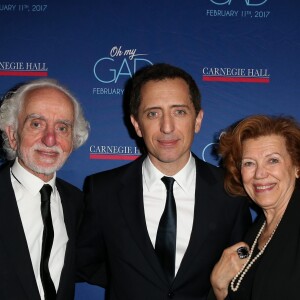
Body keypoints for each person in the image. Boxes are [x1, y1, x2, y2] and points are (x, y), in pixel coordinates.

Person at [77, 63, 251, 300]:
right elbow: (86, 261)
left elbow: (241, 271)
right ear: (137, 124)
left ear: (198, 120)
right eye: (153, 113)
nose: (167, 127)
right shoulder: (103, 190)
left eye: (179, 112)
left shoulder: (230, 190)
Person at [0, 78, 89, 300]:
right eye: (36, 124)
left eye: (62, 128)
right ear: (12, 135)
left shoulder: (78, 203)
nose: (50, 140)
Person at [209, 115, 300, 300]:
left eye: (272, 160)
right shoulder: (255, 231)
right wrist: (219, 288)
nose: (259, 174)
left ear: (296, 166)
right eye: (249, 163)